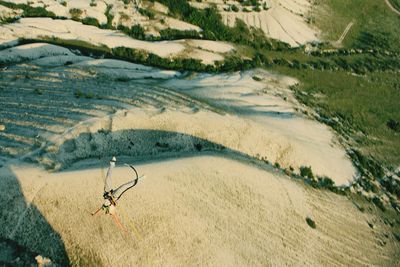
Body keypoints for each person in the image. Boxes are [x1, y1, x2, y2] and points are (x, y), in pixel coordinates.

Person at [92, 156, 140, 231]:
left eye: (106, 213)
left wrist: (93, 215)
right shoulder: (112, 213)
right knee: (124, 186)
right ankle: (137, 180)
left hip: (107, 192)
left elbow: (97, 212)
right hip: (115, 196)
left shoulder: (104, 208)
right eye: (107, 213)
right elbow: (118, 222)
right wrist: (124, 229)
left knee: (108, 178)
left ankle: (112, 164)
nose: (106, 213)